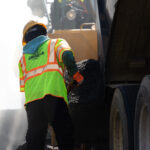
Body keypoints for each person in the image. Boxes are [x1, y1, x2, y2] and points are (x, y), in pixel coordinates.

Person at [18, 20, 84, 150]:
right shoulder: (56, 43)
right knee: (65, 136)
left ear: (26, 39)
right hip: (54, 97)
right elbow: (68, 56)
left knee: (34, 141)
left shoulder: (22, 60)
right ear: (43, 32)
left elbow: (23, 87)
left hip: (33, 103)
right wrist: (76, 76)